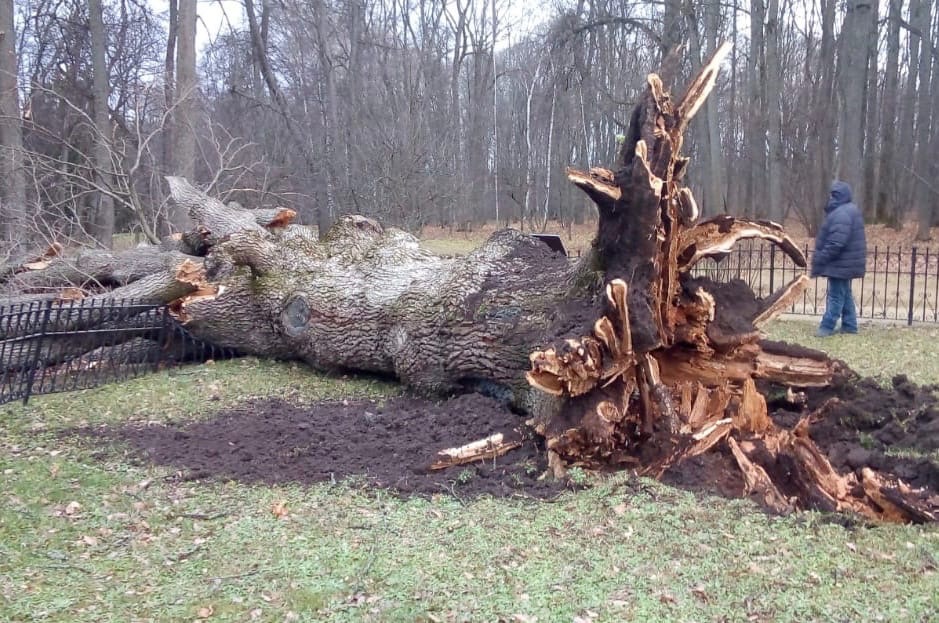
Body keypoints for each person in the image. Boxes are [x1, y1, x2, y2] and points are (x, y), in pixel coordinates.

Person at [810, 180, 867, 337]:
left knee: (835, 296)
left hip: (840, 264)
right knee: (845, 294)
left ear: (837, 196)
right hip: (844, 263)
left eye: (832, 195)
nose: (829, 198)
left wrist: (821, 257)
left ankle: (826, 326)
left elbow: (836, 242)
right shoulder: (847, 211)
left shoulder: (842, 213)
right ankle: (850, 325)